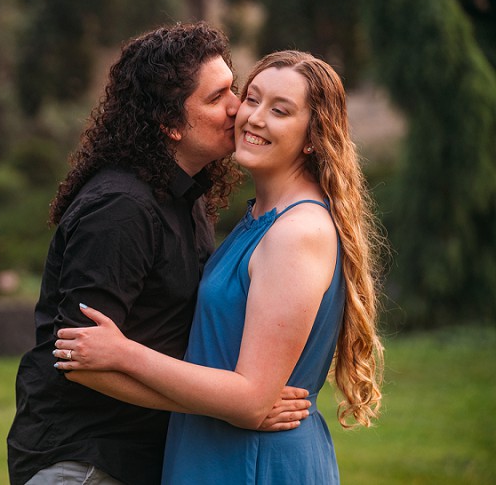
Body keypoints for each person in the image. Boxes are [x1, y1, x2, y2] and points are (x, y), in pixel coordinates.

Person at [54, 50, 387, 484]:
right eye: (252, 98)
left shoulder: (296, 232)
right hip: (212, 449)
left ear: (312, 136)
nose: (253, 117)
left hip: (254, 460)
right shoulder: (259, 220)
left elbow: (251, 400)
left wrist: (125, 353)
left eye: (280, 110)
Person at [7, 25, 312, 485]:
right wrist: (236, 406)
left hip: (144, 458)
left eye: (234, 88)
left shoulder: (185, 197)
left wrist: (238, 399)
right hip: (86, 464)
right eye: (217, 98)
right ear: (170, 123)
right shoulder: (122, 207)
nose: (238, 107)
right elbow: (83, 361)